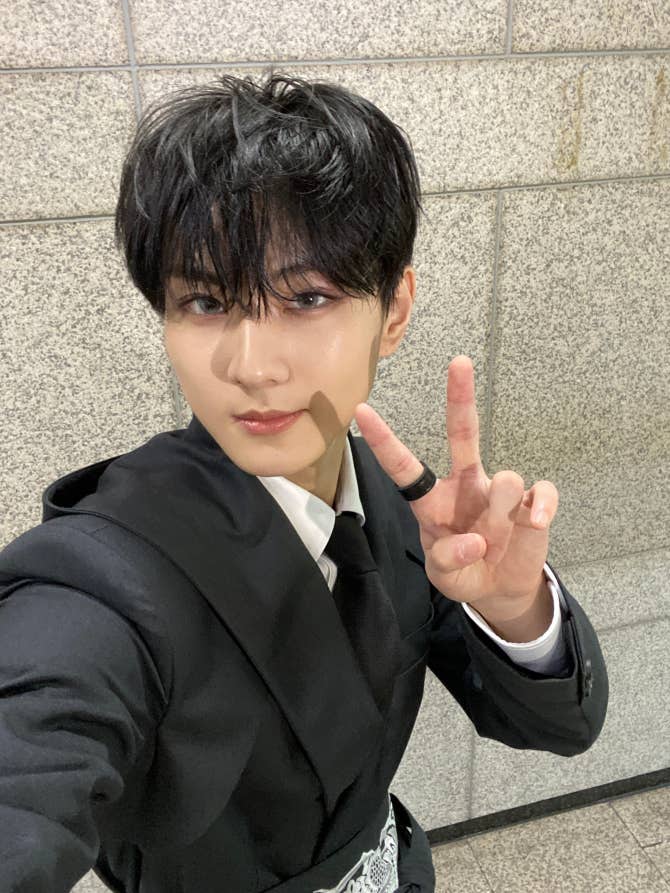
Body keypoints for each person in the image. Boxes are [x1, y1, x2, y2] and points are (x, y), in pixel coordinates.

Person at [0, 72, 608, 893]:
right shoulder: (103, 576)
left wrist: (515, 610)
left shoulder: (401, 503)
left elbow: (562, 727)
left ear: (395, 311)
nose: (251, 366)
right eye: (205, 301)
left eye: (308, 296)